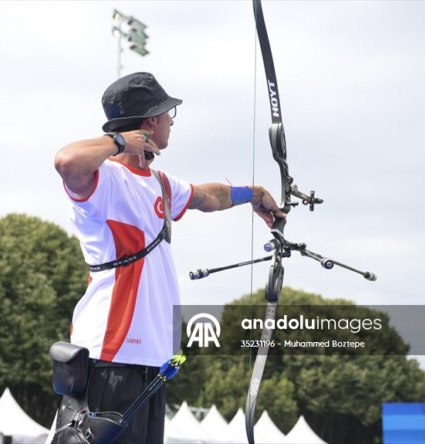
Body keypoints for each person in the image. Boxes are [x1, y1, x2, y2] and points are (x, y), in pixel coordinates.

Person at [53, 72, 286, 444]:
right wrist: (117, 142)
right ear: (151, 121)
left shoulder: (159, 182)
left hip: (152, 362)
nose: (171, 123)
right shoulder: (106, 180)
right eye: (167, 115)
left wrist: (253, 194)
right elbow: (67, 161)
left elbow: (207, 197)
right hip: (111, 357)